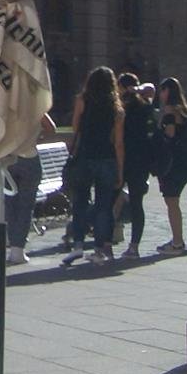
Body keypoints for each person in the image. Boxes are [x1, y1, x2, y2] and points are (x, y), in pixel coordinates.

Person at [62, 66, 125, 267]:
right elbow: (118, 142)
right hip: (106, 158)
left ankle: (78, 244)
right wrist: (120, 170)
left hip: (84, 157)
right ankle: (99, 248)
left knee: (80, 201)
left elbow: (75, 127)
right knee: (103, 206)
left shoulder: (82, 100)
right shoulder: (116, 108)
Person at [5, 111, 58, 266]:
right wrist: (36, 138)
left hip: (8, 157)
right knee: (26, 205)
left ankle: (13, 243)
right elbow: (51, 128)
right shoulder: (35, 104)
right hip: (29, 156)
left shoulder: (7, 103)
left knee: (10, 203)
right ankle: (18, 248)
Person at [153, 78, 187, 253]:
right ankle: (177, 239)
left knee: (171, 202)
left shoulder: (170, 111)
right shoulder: (185, 110)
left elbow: (170, 134)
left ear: (167, 91)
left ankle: (177, 242)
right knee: (173, 201)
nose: (160, 94)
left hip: (173, 163)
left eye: (162, 90)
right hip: (185, 161)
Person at [116, 75, 158, 260]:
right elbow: (151, 89)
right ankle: (134, 246)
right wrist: (137, 90)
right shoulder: (146, 107)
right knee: (136, 204)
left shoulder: (121, 109)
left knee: (112, 198)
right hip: (141, 161)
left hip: (123, 160)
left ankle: (108, 241)